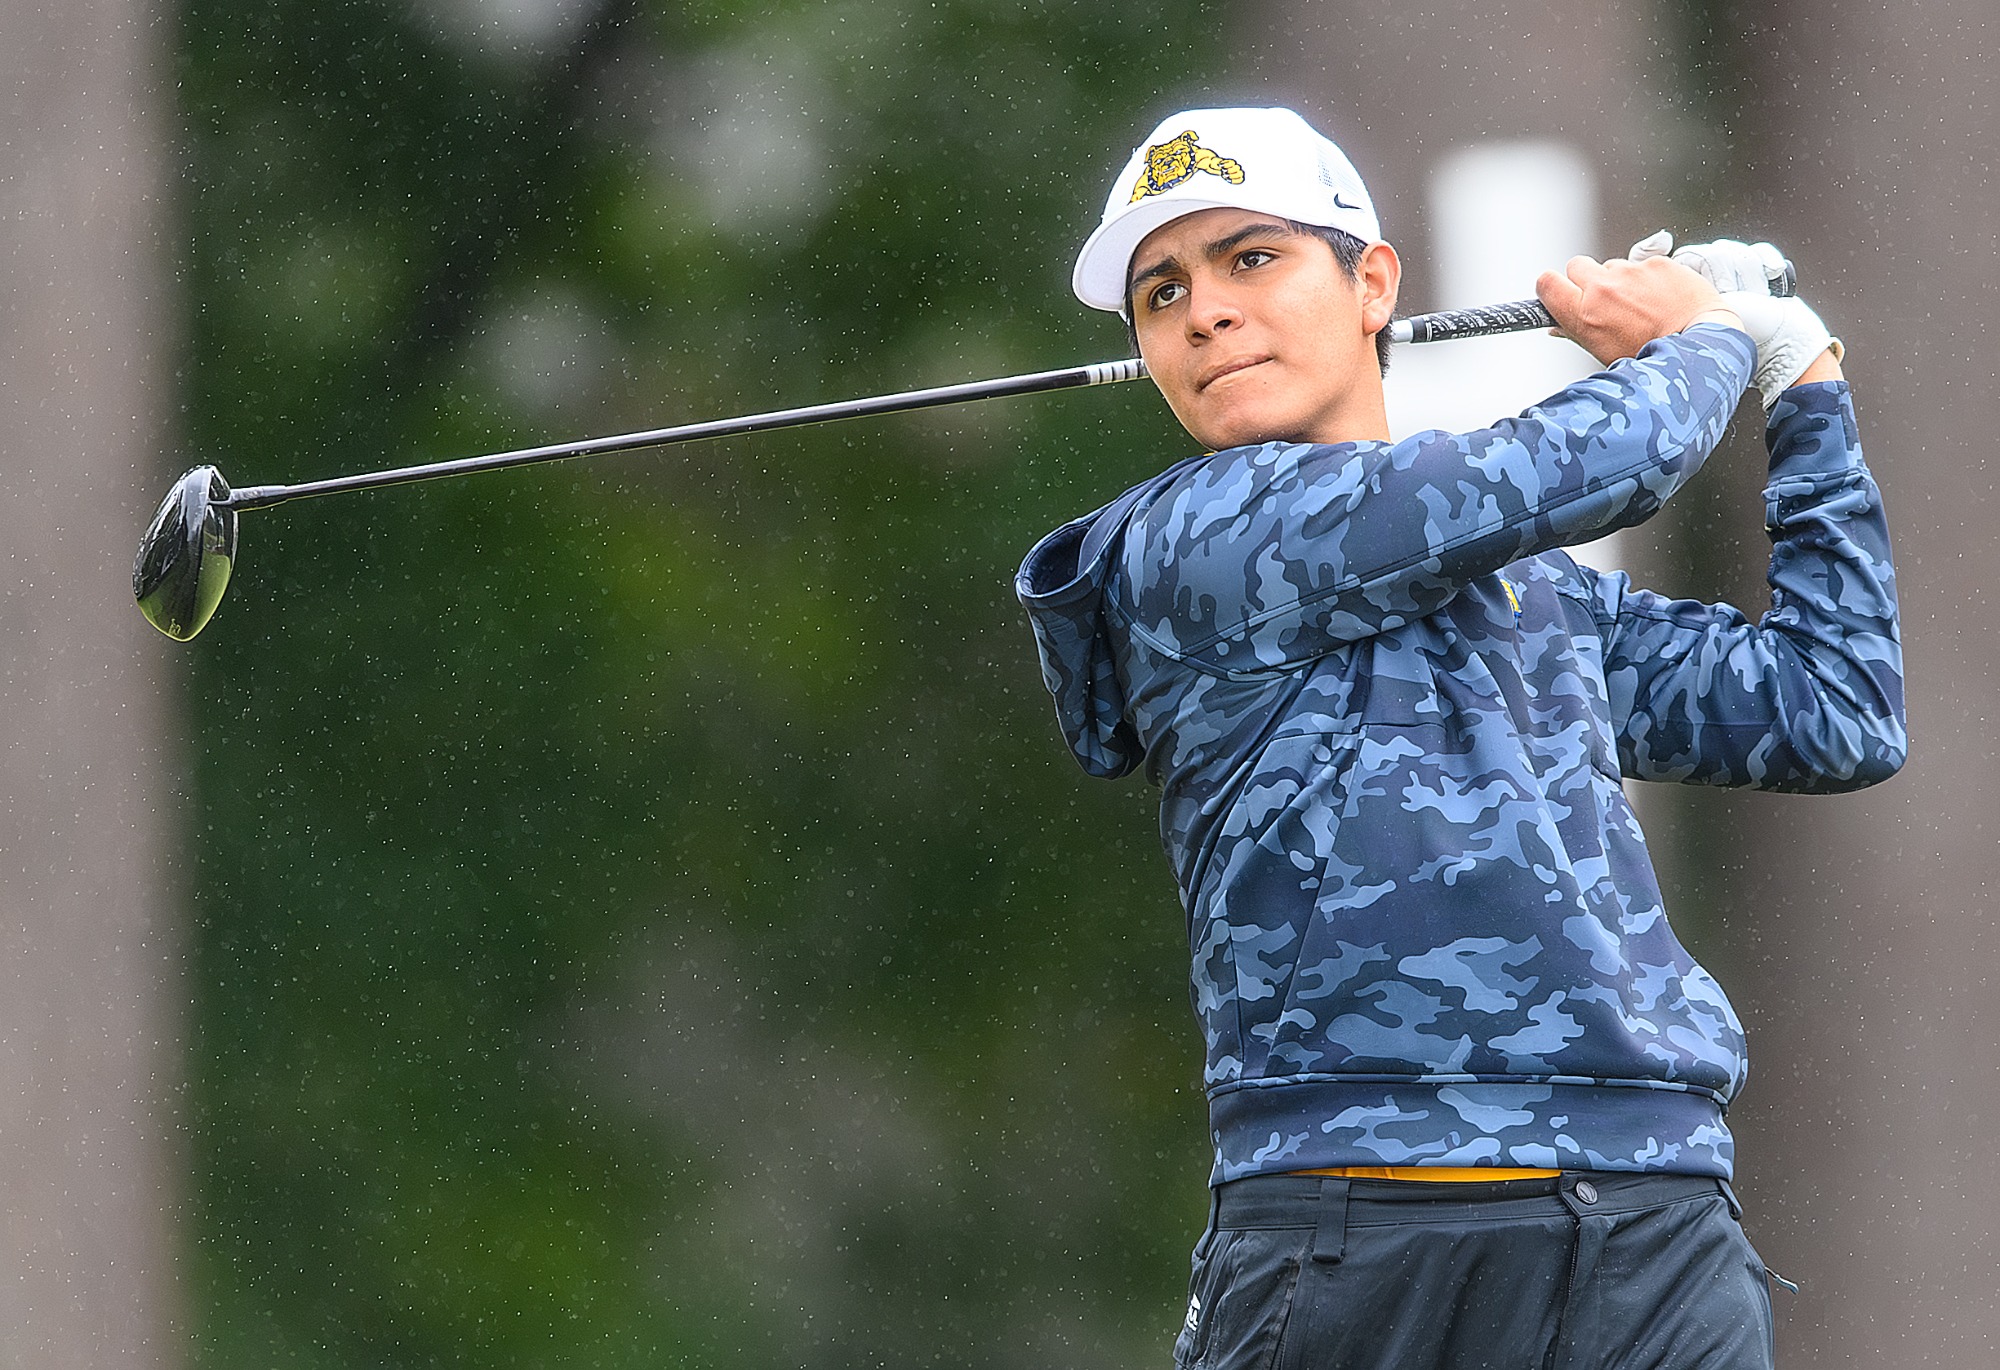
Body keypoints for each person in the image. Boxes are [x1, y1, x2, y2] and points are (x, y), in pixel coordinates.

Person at [1015, 106, 1905, 1369]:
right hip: (1352, 1218)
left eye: (1249, 258)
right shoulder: (1194, 541)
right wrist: (1707, 334)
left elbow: (1832, 708)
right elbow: (1581, 466)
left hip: (1648, 1215)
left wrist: (1804, 384)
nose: (1204, 311)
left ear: (1370, 282)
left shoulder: (1533, 593)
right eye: (1162, 293)